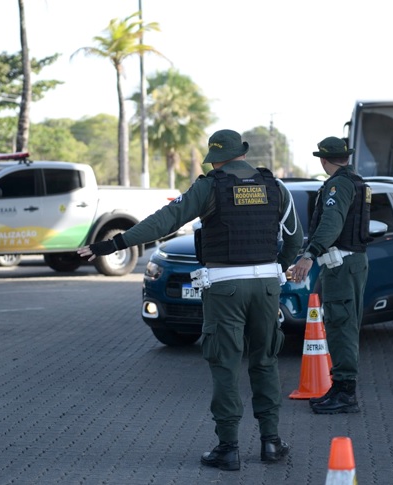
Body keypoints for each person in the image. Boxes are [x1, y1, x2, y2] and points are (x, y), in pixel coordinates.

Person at [78, 129, 303, 471]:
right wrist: (277, 270)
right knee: (265, 360)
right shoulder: (276, 186)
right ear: (242, 153)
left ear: (216, 158)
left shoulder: (209, 186)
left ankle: (228, 449)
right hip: (266, 287)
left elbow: (164, 221)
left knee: (225, 363)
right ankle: (271, 443)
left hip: (225, 287)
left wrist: (113, 244)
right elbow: (294, 238)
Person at [290, 136, 371, 414]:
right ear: (345, 157)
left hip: (341, 264)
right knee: (342, 323)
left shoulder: (339, 184)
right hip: (349, 263)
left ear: (323, 160)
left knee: (341, 325)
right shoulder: (357, 182)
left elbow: (332, 222)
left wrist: (309, 254)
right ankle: (340, 387)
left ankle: (346, 393)